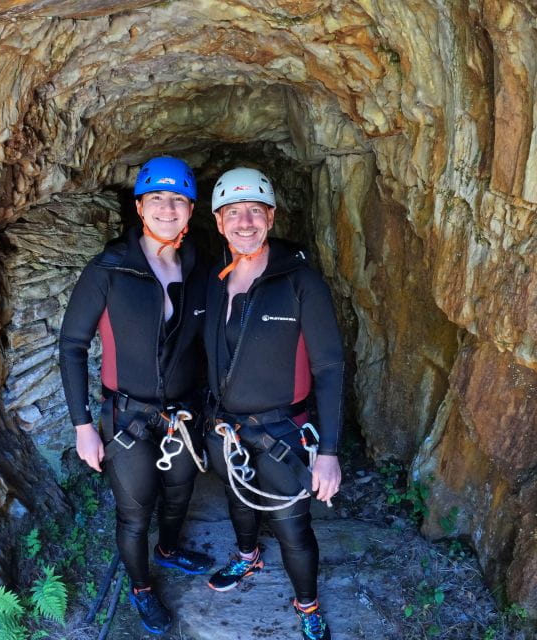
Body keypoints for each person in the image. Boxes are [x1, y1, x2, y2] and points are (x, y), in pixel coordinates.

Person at [59, 156, 212, 635]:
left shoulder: (200, 267)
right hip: (127, 417)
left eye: (177, 200)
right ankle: (141, 588)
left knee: (180, 490)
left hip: (184, 414)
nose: (167, 208)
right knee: (134, 511)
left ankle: (168, 549)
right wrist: (84, 427)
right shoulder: (109, 269)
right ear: (140, 207)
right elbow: (72, 346)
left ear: (190, 210)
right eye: (157, 199)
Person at [203, 167, 343, 640]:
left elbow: (329, 368)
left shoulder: (301, 282)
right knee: (238, 502)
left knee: (293, 528)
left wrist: (328, 455)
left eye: (255, 212)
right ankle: (247, 559)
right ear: (219, 222)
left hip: (282, 432)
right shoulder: (213, 280)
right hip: (226, 429)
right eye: (234, 213)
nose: (245, 222)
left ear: (272, 217)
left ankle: (308, 605)